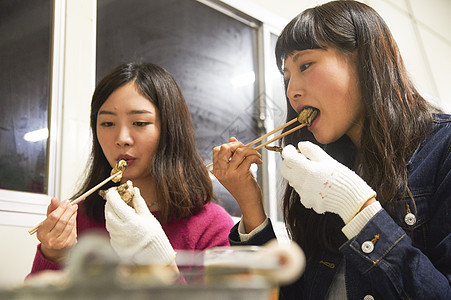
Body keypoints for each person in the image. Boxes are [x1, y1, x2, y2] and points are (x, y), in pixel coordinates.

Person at [212, 1, 451, 299]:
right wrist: (249, 204)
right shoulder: (321, 164)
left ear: (365, 60)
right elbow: (291, 295)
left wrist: (357, 208)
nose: (291, 91)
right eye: (287, 77)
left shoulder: (443, 148)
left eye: (306, 65)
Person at [28, 62, 234, 277]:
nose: (122, 139)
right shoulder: (80, 219)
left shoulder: (212, 226)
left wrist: (160, 263)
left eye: (140, 122)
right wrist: (53, 254)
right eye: (107, 123)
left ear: (170, 130)